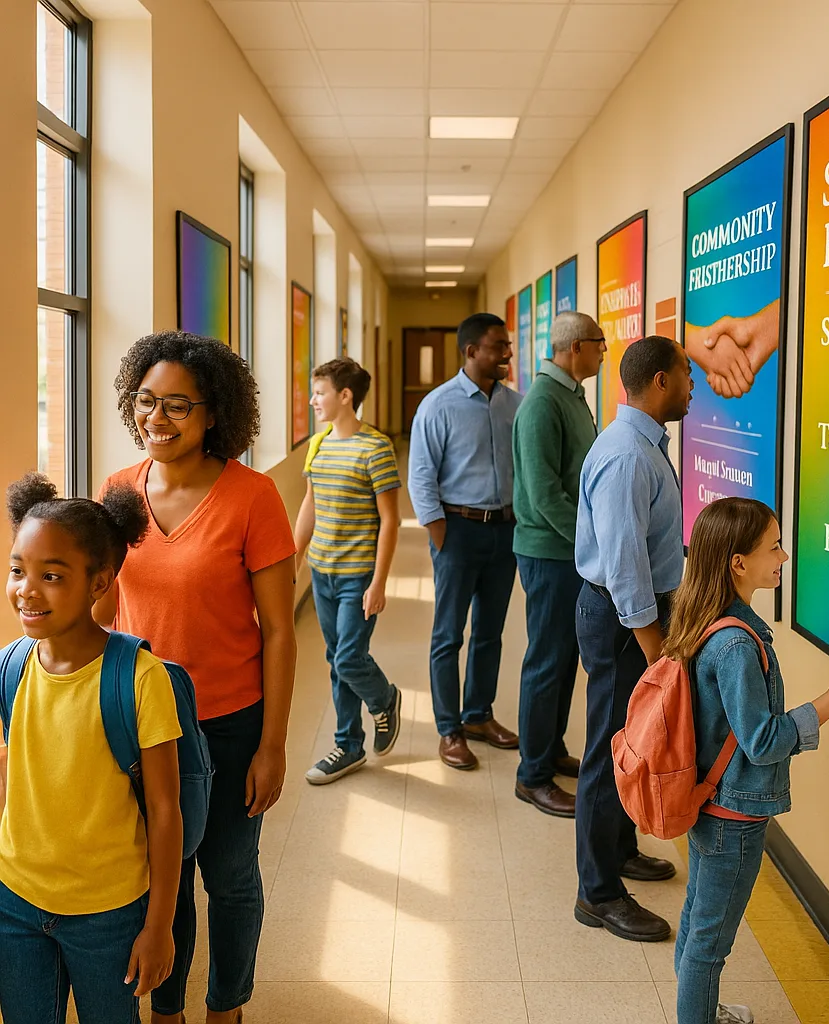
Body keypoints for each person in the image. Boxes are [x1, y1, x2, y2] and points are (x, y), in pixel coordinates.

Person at [99, 331, 297, 1024]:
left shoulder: (252, 496)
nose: (156, 417)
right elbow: (102, 606)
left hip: (230, 724)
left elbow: (279, 629)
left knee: (232, 876)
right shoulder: (117, 492)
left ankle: (227, 1007)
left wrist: (272, 746)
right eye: (145, 401)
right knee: (165, 879)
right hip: (142, 725)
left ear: (214, 413)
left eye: (177, 405)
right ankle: (170, 1011)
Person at [666, 498, 829, 1024]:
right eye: (773, 546)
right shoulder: (736, 643)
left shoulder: (704, 618)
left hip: (708, 802)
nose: (783, 556)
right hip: (733, 815)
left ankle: (704, 1012)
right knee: (708, 946)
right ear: (738, 563)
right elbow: (760, 741)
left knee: (696, 924)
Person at [0, 474, 182, 1024]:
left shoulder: (141, 679)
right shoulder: (11, 666)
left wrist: (159, 926)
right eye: (17, 570)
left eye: (51, 576)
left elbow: (166, 811)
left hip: (109, 912)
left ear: (100, 581)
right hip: (16, 901)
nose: (27, 590)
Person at [573, 335, 692, 942]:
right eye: (688, 375)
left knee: (628, 742)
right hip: (624, 622)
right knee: (607, 753)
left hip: (631, 615)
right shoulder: (627, 456)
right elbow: (624, 567)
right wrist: (655, 650)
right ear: (661, 383)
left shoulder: (643, 445)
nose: (694, 386)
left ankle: (619, 852)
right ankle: (596, 893)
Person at [408, 312, 523, 770]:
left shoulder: (515, 404)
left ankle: (478, 715)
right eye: (499, 346)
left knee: (490, 633)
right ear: (472, 350)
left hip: (506, 530)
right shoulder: (438, 405)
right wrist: (441, 534)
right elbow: (421, 476)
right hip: (458, 530)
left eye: (507, 345)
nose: (507, 354)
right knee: (448, 634)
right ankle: (449, 728)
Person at [511, 311, 603, 817]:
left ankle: (549, 750)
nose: (604, 353)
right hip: (550, 553)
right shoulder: (543, 403)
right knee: (547, 661)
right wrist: (591, 544)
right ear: (574, 349)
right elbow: (545, 493)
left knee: (566, 659)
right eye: (599, 344)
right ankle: (533, 775)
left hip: (567, 552)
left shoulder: (571, 395)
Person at [294, 358, 402, 784]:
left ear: (345, 396)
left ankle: (384, 699)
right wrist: (296, 556)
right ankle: (348, 745)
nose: (313, 400)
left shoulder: (376, 448)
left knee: (348, 657)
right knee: (335, 659)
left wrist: (379, 582)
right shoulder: (318, 444)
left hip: (358, 574)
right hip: (322, 570)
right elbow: (310, 504)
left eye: (319, 392)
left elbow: (390, 519)